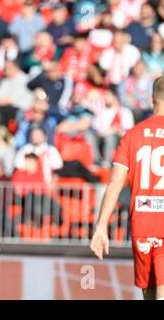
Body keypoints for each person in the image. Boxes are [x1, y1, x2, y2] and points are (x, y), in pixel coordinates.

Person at [90, 75, 164, 300]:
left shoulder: (132, 135)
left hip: (142, 224)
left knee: (150, 293)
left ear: (152, 99)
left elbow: (115, 183)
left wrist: (101, 226)